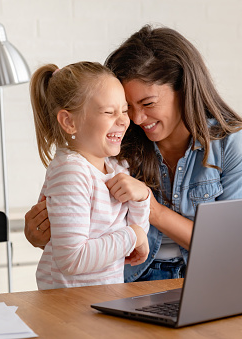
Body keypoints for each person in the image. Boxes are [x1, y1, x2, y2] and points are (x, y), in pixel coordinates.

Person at [25, 25, 242, 283]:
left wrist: (152, 209)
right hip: (129, 278)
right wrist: (39, 232)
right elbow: (75, 236)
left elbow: (231, 248)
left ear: (184, 89)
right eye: (128, 107)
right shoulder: (115, 147)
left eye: (148, 104)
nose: (135, 119)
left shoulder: (233, 146)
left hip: (206, 278)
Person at [29, 61, 151, 290]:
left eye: (124, 110)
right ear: (69, 122)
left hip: (103, 301)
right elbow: (72, 258)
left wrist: (143, 197)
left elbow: (139, 236)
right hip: (68, 308)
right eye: (109, 112)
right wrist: (132, 236)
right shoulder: (71, 173)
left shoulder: (117, 168)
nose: (124, 120)